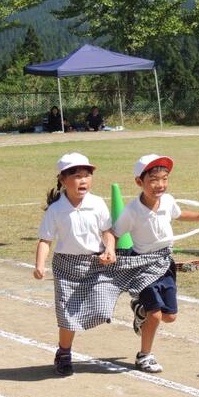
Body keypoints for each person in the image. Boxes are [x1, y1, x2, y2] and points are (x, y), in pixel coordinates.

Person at [113, 154, 199, 373]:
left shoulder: (168, 201)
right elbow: (114, 233)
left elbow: (182, 214)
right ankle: (144, 356)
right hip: (142, 265)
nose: (160, 185)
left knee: (169, 316)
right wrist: (108, 251)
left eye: (164, 179)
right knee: (155, 315)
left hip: (165, 262)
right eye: (153, 180)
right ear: (139, 182)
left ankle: (140, 310)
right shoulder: (132, 211)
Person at [34, 152, 117, 376]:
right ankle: (64, 353)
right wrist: (40, 265)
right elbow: (45, 240)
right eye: (77, 176)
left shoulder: (97, 203)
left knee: (102, 309)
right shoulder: (56, 210)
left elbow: (107, 232)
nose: (83, 181)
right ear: (63, 180)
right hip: (66, 266)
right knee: (67, 316)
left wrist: (109, 249)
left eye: (87, 176)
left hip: (94, 263)